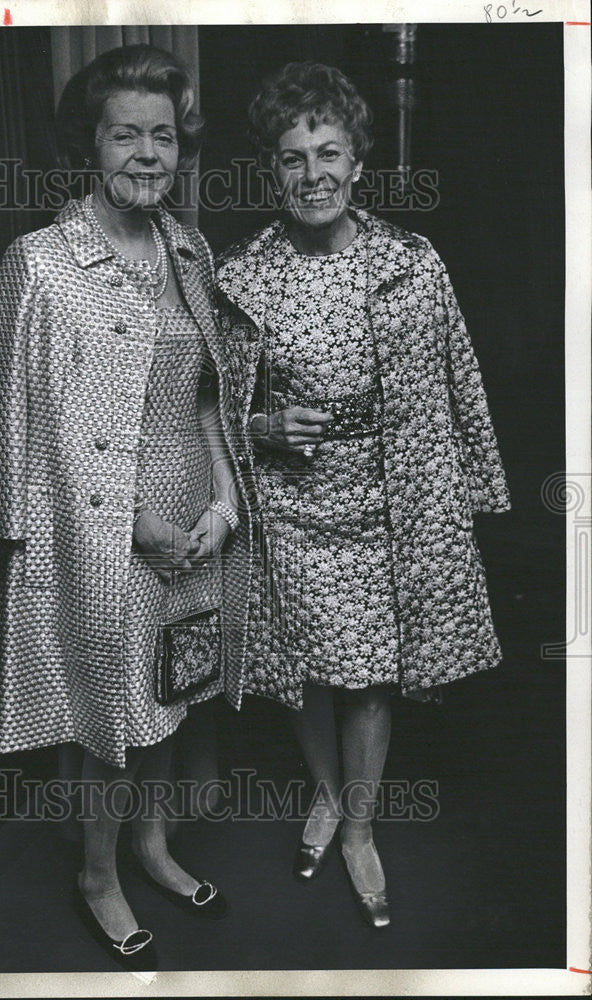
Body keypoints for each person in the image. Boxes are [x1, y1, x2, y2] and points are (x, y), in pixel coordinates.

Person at [0, 44, 252, 970]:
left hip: (194, 513)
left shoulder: (188, 246)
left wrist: (223, 499)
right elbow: (18, 419)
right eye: (125, 133)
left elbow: (208, 392)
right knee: (110, 713)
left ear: (182, 148)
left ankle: (153, 845)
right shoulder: (42, 262)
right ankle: (98, 873)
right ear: (88, 145)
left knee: (174, 691)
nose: (147, 154)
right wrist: (133, 522)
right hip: (99, 530)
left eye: (162, 136)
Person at [216, 61, 510, 929]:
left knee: (373, 676)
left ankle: (361, 826)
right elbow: (212, 405)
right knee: (307, 669)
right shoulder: (240, 278)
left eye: (328, 151)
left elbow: (460, 378)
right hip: (291, 509)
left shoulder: (413, 265)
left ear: (359, 160)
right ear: (272, 171)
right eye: (293, 157)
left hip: (391, 506)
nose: (313, 174)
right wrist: (260, 426)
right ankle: (327, 796)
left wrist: (476, 492)